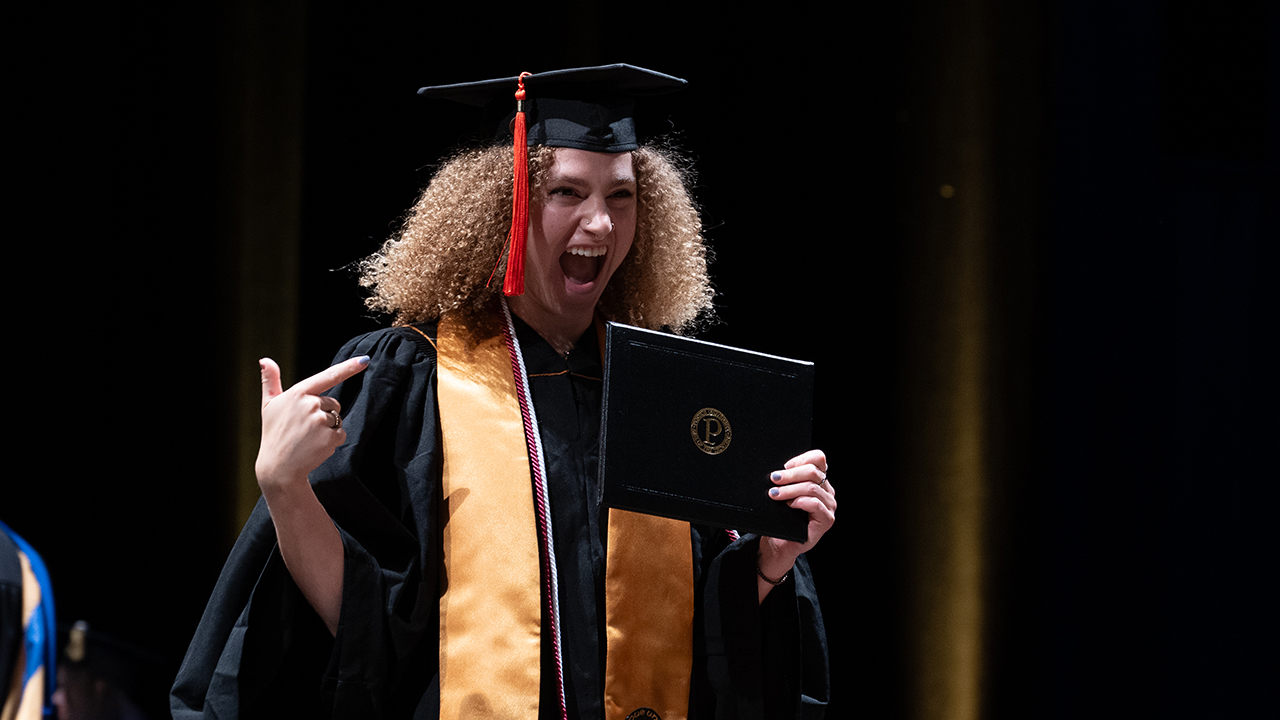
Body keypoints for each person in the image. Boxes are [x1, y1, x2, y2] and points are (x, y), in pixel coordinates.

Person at [172, 64, 835, 720]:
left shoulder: (679, 395)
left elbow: (707, 651)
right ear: (503, 205)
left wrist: (770, 563)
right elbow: (369, 626)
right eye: (567, 193)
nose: (600, 223)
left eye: (622, 196)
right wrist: (285, 487)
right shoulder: (417, 379)